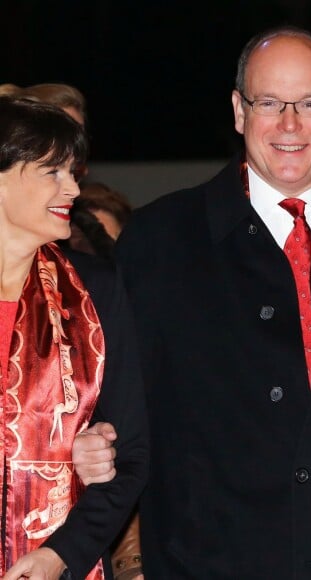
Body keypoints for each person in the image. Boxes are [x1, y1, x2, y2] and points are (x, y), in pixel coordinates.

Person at [74, 25, 311, 578]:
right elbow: (116, 405)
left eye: (310, 103)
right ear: (238, 110)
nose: (290, 124)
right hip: (207, 560)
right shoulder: (159, 244)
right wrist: (92, 441)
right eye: (269, 102)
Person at [0, 96, 149, 579]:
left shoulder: (97, 291)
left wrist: (60, 554)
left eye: (73, 171)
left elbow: (131, 453)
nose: (73, 188)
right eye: (52, 172)